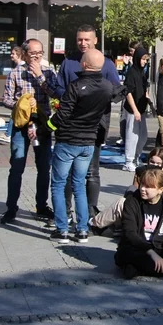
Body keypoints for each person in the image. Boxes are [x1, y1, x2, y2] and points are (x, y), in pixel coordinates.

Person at [52, 25, 122, 218]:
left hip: (95, 126)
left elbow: (116, 91)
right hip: (69, 126)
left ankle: (91, 212)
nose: (83, 43)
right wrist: (71, 97)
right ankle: (65, 211)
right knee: (66, 174)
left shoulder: (106, 64)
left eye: (87, 39)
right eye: (80, 39)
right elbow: (59, 88)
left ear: (95, 40)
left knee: (92, 172)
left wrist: (95, 98)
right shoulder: (69, 63)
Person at [47, 50, 115, 244]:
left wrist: (48, 126)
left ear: (84, 65)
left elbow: (62, 114)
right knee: (79, 184)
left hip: (68, 140)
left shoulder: (75, 86)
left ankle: (62, 230)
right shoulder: (106, 86)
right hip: (88, 142)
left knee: (59, 184)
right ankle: (82, 229)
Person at [0, 39, 59, 224]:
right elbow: (6, 99)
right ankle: (11, 207)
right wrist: (21, 104)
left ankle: (41, 205)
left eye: (40, 53)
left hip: (42, 125)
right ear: (24, 54)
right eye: (33, 53)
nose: (37, 56)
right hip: (21, 126)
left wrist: (40, 76)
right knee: (17, 167)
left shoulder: (49, 72)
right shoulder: (16, 73)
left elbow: (55, 93)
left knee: (44, 167)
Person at [89, 147, 163, 236]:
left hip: (153, 211)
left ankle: (94, 223)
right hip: (140, 205)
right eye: (152, 162)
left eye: (158, 164)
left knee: (122, 203)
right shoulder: (142, 172)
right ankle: (108, 223)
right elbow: (134, 190)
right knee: (129, 193)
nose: (154, 166)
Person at [123, 47, 151, 172]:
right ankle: (129, 161)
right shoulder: (132, 72)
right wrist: (134, 110)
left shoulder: (142, 72)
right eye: (143, 59)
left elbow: (144, 90)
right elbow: (128, 92)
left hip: (141, 108)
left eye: (146, 59)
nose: (144, 61)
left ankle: (136, 157)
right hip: (132, 109)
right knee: (132, 135)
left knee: (143, 136)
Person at [0, 45, 24, 144]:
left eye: (13, 54)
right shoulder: (17, 69)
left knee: (15, 115)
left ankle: (9, 134)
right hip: (20, 102)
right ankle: (9, 134)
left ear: (19, 55)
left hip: (21, 101)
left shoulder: (18, 70)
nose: (11, 55)